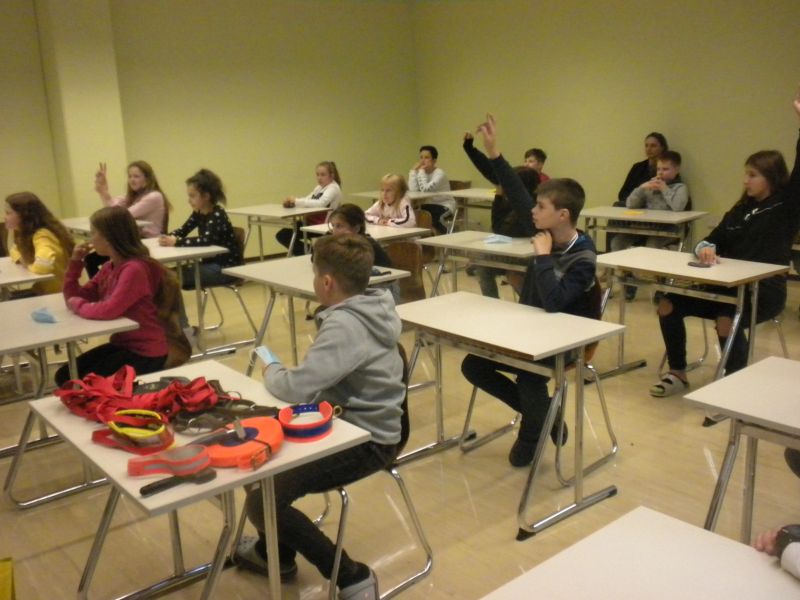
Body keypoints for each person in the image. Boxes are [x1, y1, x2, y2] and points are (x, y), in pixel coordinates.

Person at [234, 234, 405, 599]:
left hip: (366, 441)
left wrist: (272, 371)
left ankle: (352, 577)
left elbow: (297, 387)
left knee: (262, 500)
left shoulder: (346, 325)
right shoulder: (373, 306)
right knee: (258, 461)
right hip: (350, 423)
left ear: (326, 282)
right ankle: (275, 554)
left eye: (314, 275)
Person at [461, 114, 598, 467]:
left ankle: (531, 431)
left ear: (563, 215)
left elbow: (554, 302)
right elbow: (518, 192)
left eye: (541, 207)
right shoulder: (545, 231)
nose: (532, 211)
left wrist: (542, 258)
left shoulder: (583, 256)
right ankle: (544, 414)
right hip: (531, 327)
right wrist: (494, 153)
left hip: (566, 338)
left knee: (529, 376)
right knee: (473, 366)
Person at [650, 88, 800, 400]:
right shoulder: (741, 208)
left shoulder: (785, 208)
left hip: (763, 292)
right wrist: (705, 247)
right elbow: (711, 238)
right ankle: (677, 372)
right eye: (746, 174)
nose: (745, 181)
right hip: (726, 288)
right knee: (667, 303)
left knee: (726, 319)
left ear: (771, 178)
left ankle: (734, 388)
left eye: (753, 175)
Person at [55, 206, 187, 387]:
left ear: (109, 237)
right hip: (125, 344)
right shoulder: (110, 267)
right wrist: (75, 263)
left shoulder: (134, 269)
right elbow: (74, 296)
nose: (90, 239)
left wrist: (78, 305)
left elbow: (108, 310)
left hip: (147, 351)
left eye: (93, 233)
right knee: (65, 376)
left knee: (76, 382)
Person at [462, 132, 540, 296]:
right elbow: (491, 170)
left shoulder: (530, 207)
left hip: (526, 254)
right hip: (511, 250)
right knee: (483, 264)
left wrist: (498, 197)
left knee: (494, 267)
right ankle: (492, 302)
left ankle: (526, 301)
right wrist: (470, 148)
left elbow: (499, 229)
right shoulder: (511, 200)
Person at [88, 161, 171, 276]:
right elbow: (112, 209)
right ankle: (106, 285)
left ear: (147, 179)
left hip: (147, 240)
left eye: (136, 176)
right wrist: (103, 190)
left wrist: (105, 193)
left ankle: (111, 285)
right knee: (91, 259)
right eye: (130, 176)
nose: (132, 180)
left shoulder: (154, 196)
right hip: (134, 239)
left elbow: (122, 215)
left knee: (93, 260)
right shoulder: (133, 196)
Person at [5, 192, 74, 296]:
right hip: (45, 291)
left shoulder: (42, 235)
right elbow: (14, 250)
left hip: (58, 294)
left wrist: (27, 264)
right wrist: (23, 259)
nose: (5, 217)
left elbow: (44, 266)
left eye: (8, 213)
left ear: (24, 215)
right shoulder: (28, 234)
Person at [276, 161, 342, 256]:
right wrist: (292, 203)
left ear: (331, 176)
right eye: (317, 175)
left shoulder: (333, 188)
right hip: (309, 222)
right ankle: (311, 253)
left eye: (323, 175)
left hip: (322, 225)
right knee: (283, 235)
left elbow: (321, 203)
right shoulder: (319, 188)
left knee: (285, 235)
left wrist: (296, 201)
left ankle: (311, 254)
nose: (319, 178)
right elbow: (307, 200)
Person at [409, 145, 454, 234]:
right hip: (427, 204)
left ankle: (440, 236)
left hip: (443, 204)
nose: (422, 160)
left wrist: (421, 171)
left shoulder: (439, 174)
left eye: (426, 157)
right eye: (421, 157)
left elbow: (426, 190)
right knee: (412, 214)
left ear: (434, 160)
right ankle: (421, 237)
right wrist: (413, 172)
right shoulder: (420, 173)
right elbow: (413, 190)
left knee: (429, 216)